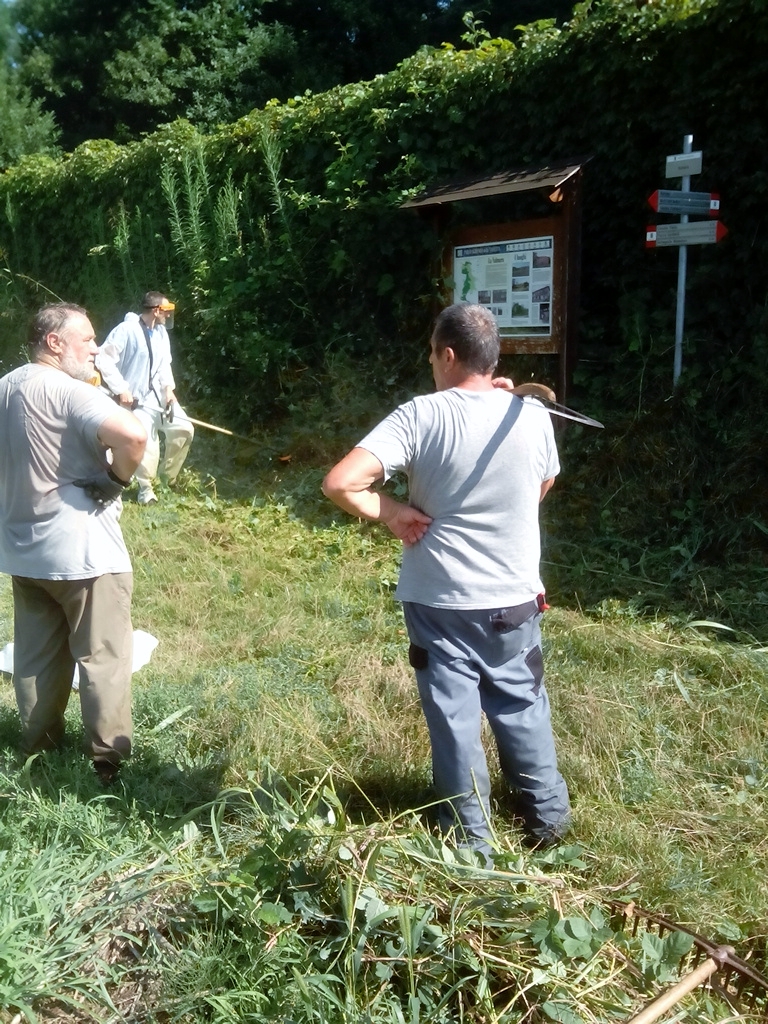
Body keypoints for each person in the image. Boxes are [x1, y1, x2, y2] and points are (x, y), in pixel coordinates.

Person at [322, 303, 571, 859]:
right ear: (493, 360)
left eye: (433, 354)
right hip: (516, 599)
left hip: (442, 601)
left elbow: (341, 483)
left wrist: (390, 511)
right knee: (522, 703)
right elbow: (543, 482)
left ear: (449, 355)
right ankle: (549, 821)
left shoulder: (420, 416)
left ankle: (470, 841)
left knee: (455, 720)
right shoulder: (528, 414)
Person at [0, 303, 147, 781]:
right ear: (54, 342)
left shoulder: (5, 388)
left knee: (36, 657)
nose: (96, 348)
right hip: (85, 552)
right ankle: (108, 766)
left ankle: (38, 753)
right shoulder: (67, 390)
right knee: (102, 657)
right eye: (86, 338)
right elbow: (132, 435)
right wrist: (115, 480)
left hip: (24, 549)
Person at [96, 290, 194, 505]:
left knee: (184, 429)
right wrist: (122, 388)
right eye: (166, 310)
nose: (169, 315)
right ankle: (146, 489)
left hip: (158, 395)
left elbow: (164, 364)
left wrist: (168, 389)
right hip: (135, 400)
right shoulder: (126, 330)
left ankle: (168, 478)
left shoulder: (160, 333)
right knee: (148, 443)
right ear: (157, 310)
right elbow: (103, 359)